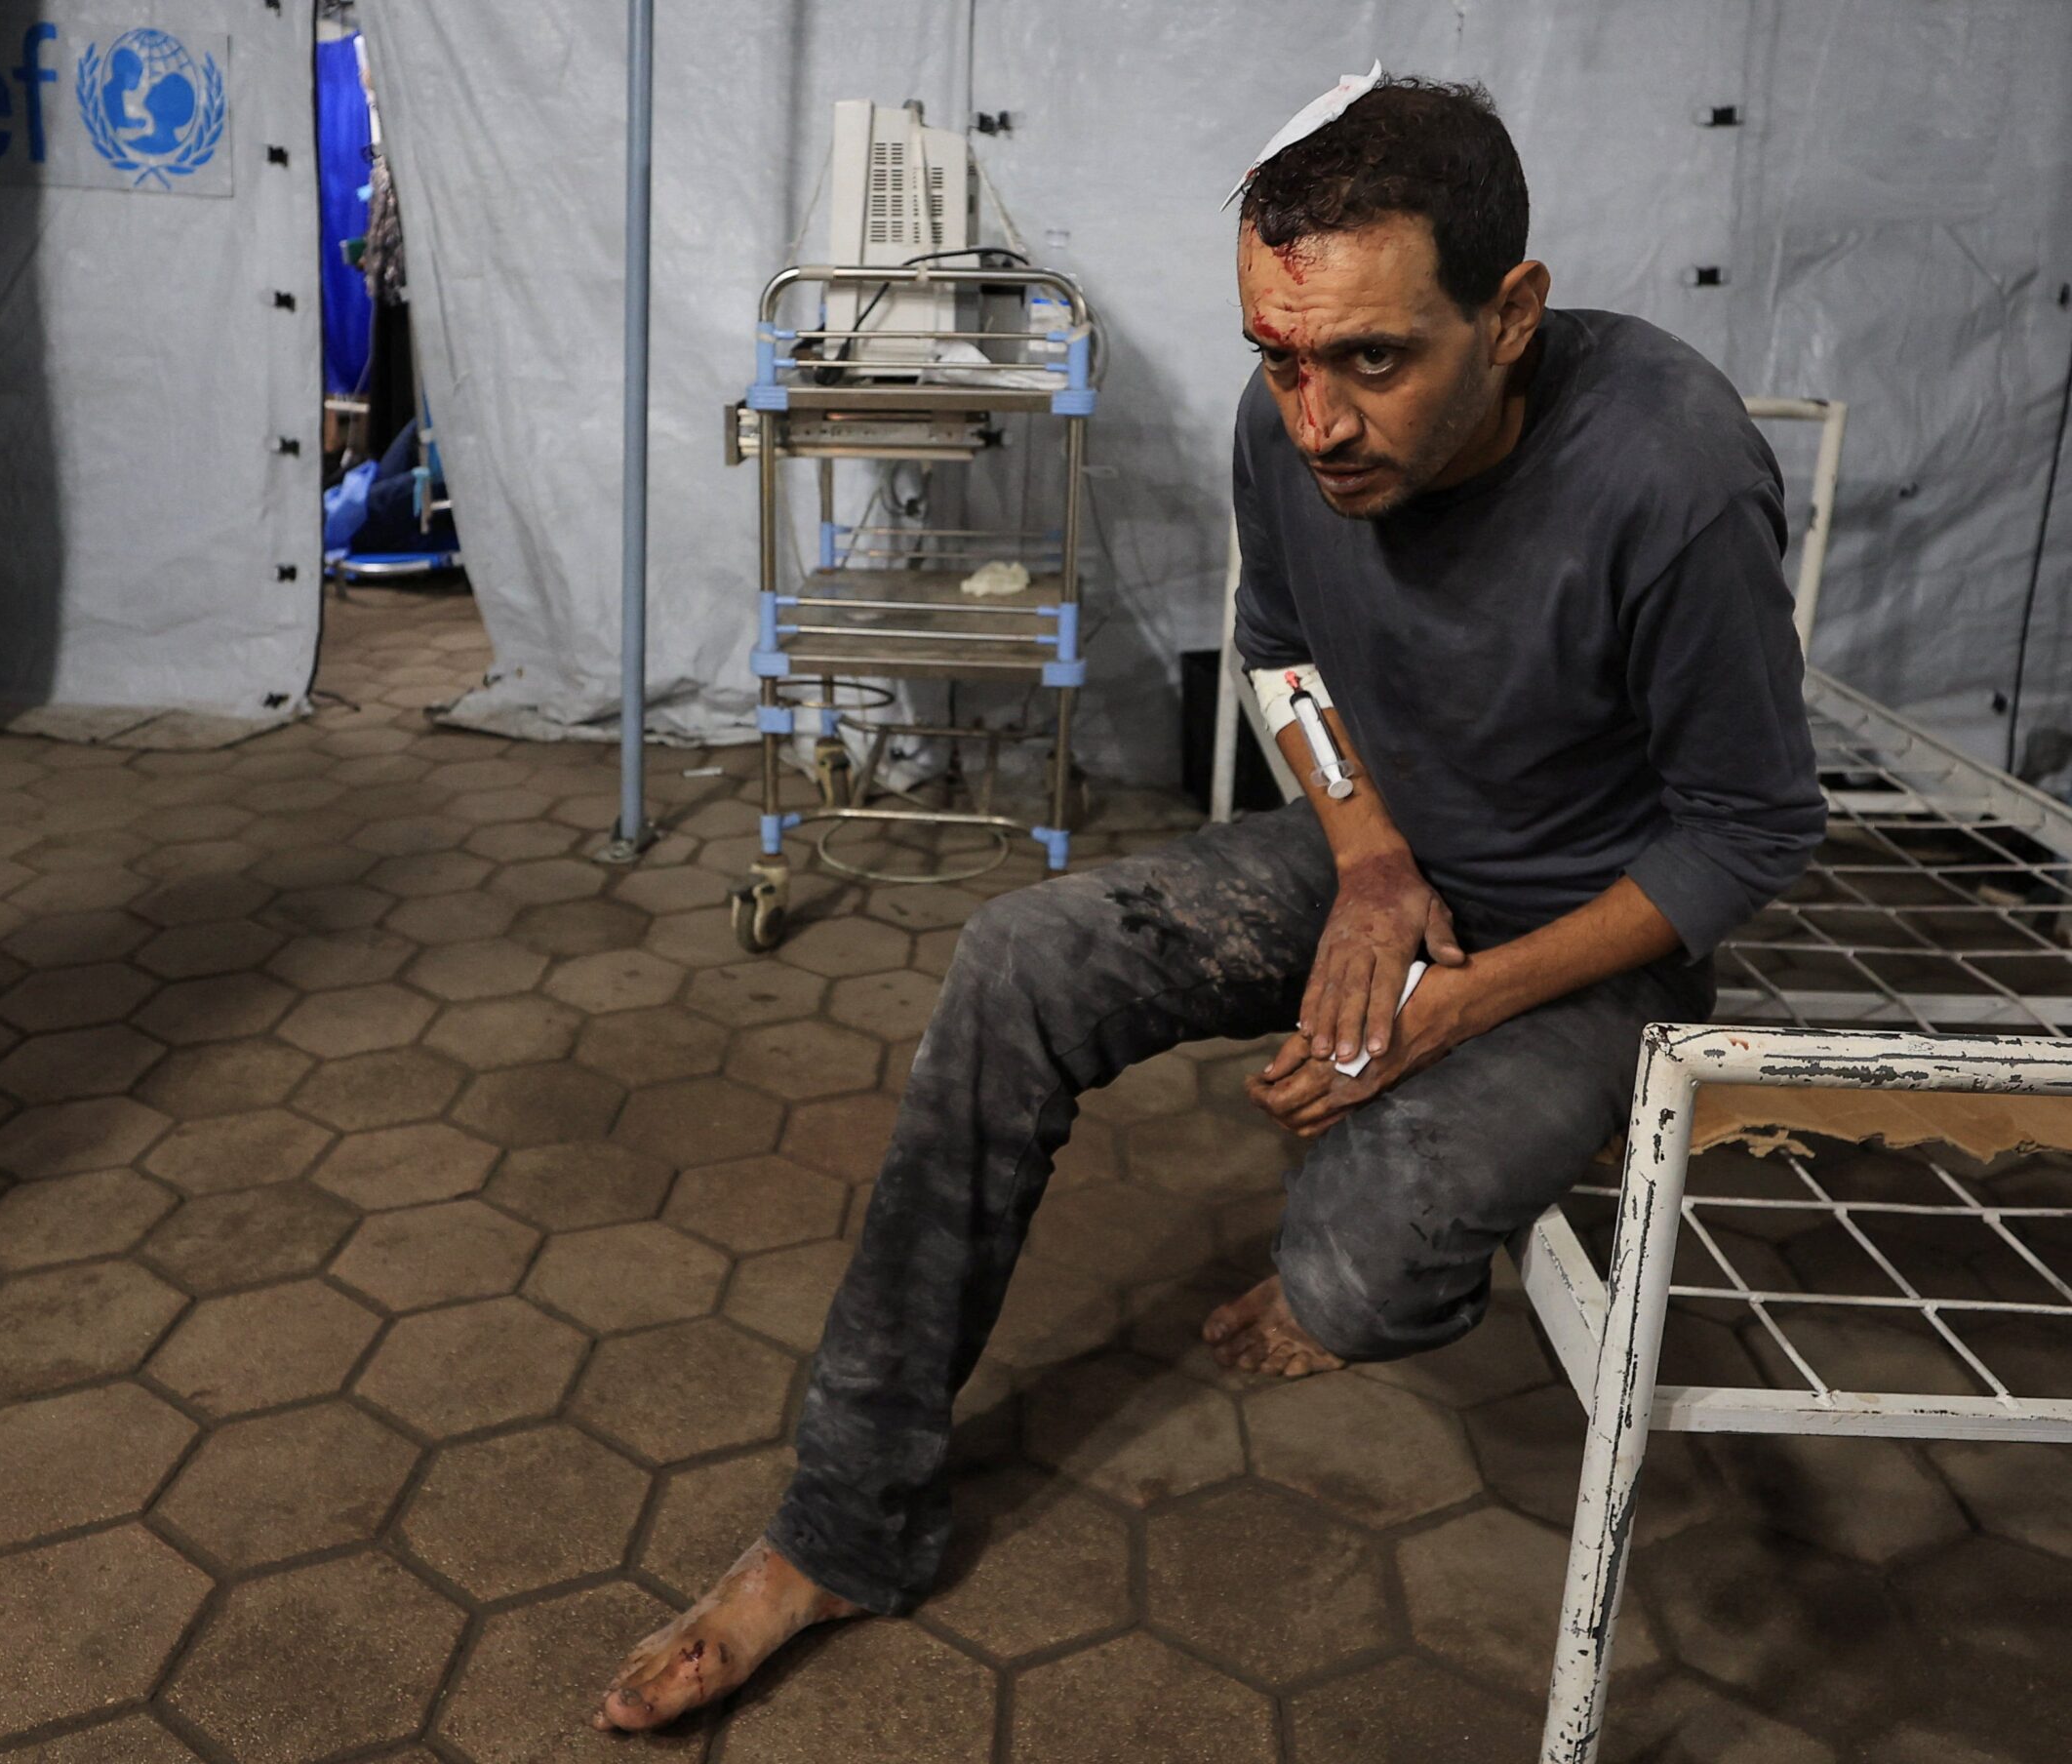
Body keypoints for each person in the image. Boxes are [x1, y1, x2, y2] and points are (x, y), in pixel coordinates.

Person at [594, 72, 1825, 1733]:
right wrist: (1372, 862)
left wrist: (1450, 1007)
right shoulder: (1290, 417)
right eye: (1279, 355)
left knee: (1352, 1274)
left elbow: (1748, 837)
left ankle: (1369, 1255)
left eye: (1374, 360)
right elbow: (1284, 655)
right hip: (1391, 852)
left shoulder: (1675, 478)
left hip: (1590, 935)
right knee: (1021, 957)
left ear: (1511, 312)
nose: (1314, 421)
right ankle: (841, 1522)